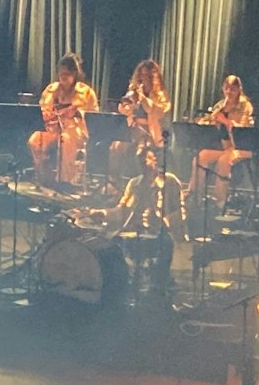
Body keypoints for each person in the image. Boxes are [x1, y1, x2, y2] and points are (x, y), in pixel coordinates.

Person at [114, 145, 186, 293]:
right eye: (138, 159)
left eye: (144, 159)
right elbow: (121, 208)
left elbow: (182, 212)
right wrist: (101, 213)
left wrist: (162, 221)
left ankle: (160, 282)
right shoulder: (134, 183)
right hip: (135, 230)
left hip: (161, 232)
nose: (141, 164)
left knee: (165, 243)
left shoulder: (170, 182)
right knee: (113, 242)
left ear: (154, 161)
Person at [29, 53, 100, 188]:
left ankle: (65, 181)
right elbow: (42, 108)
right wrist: (46, 113)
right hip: (52, 128)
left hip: (75, 131)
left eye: (67, 73)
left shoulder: (86, 92)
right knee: (34, 140)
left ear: (75, 74)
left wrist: (77, 113)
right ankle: (44, 176)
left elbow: (94, 116)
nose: (63, 77)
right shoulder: (51, 89)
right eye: (61, 73)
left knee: (66, 139)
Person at [190, 73, 254, 210]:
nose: (229, 92)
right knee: (200, 157)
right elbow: (210, 123)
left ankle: (219, 201)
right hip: (224, 146)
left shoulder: (245, 106)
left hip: (240, 147)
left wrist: (225, 121)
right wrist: (205, 122)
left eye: (233, 89)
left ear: (239, 90)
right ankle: (195, 197)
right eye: (227, 88)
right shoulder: (220, 105)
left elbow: (243, 130)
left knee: (224, 161)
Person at [108, 58, 171, 180]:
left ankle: (146, 183)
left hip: (152, 133)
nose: (144, 79)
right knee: (115, 147)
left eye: (148, 76)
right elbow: (122, 107)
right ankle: (113, 181)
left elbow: (153, 110)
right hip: (134, 130)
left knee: (142, 152)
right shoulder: (134, 93)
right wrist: (128, 106)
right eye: (142, 75)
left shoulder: (161, 96)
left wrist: (142, 98)